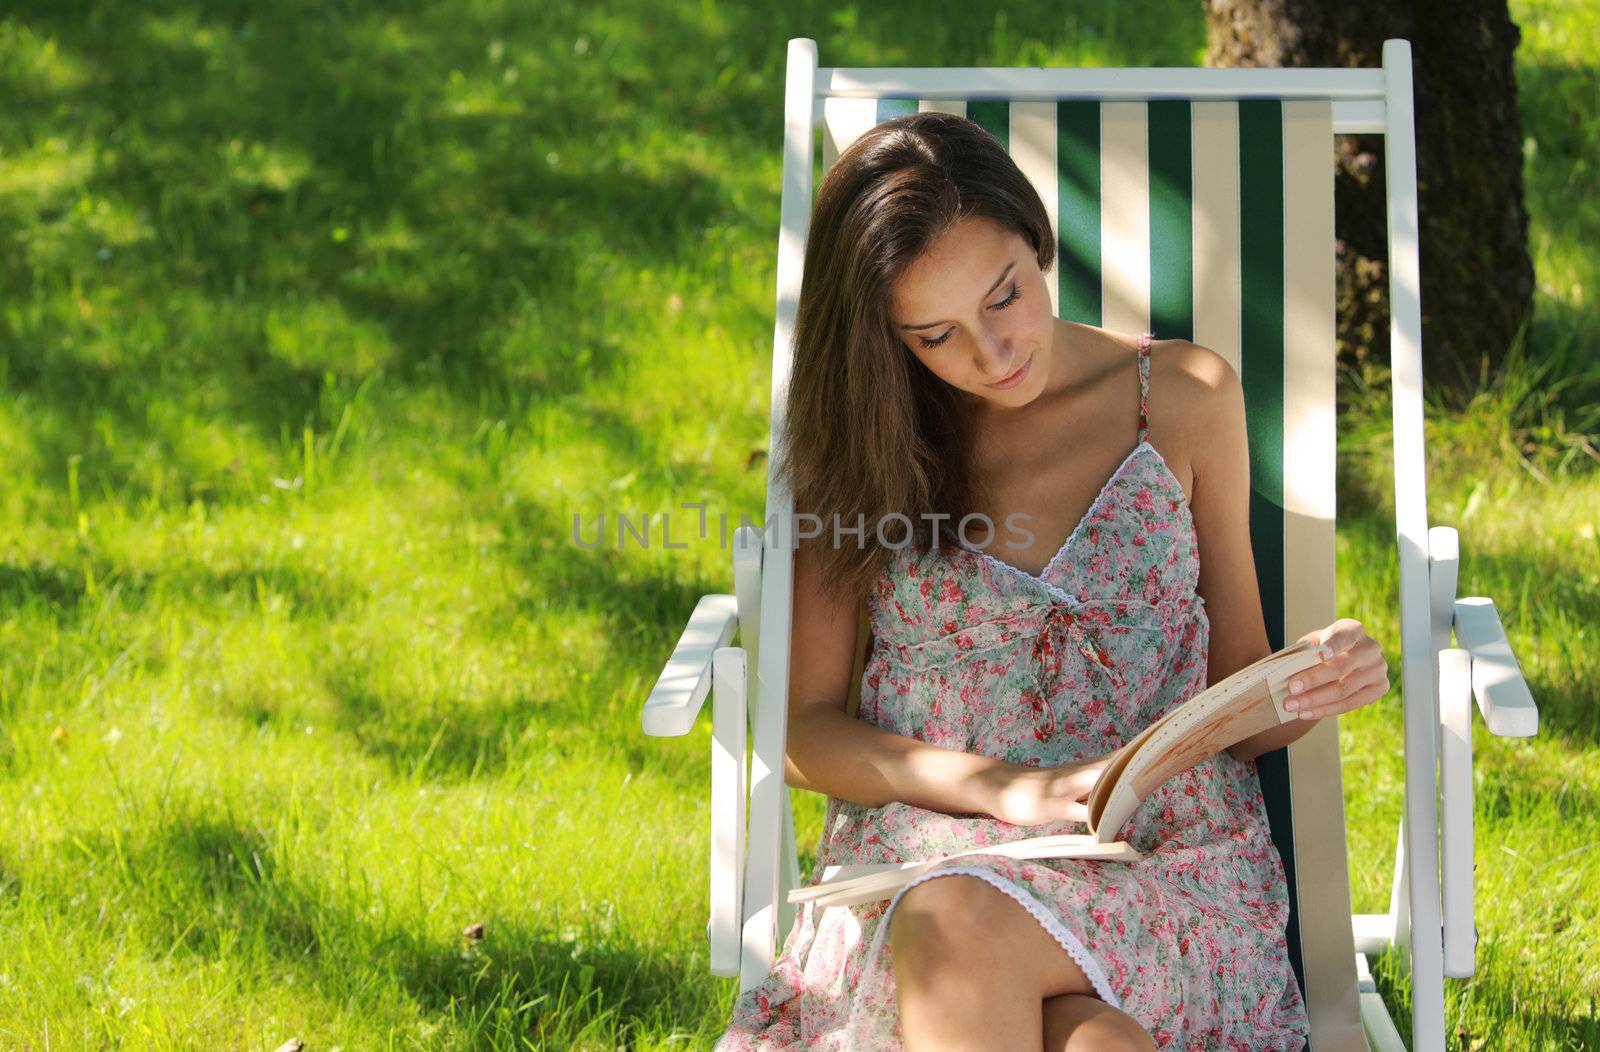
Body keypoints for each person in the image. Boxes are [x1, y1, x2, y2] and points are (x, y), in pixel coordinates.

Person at [712, 112, 1389, 1051]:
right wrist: (1004, 789)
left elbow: (1242, 686)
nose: (992, 355)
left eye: (1005, 297)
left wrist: (1313, 678)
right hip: (931, 850)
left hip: (1161, 864)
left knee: (962, 934)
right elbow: (802, 734)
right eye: (936, 335)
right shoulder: (866, 449)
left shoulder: (1184, 399)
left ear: (1036, 238)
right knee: (1071, 1026)